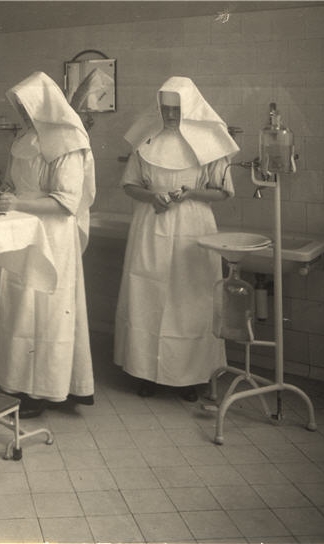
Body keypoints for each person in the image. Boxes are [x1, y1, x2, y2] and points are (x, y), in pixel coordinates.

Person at [114, 76, 239, 402]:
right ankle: (147, 373)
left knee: (190, 301)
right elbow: (129, 184)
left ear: (190, 108)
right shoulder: (146, 141)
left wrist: (190, 194)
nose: (170, 114)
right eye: (165, 108)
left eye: (176, 108)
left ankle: (191, 377)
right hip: (150, 224)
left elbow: (223, 192)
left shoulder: (210, 144)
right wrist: (151, 197)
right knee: (148, 296)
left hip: (193, 230)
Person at [0, 71, 96, 419]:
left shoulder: (68, 141)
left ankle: (45, 389)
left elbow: (66, 201)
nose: (21, 113)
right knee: (18, 308)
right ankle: (15, 381)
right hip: (23, 231)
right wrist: (8, 194)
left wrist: (16, 203)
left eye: (25, 106)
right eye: (18, 107)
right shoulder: (27, 137)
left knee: (45, 313)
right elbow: (18, 183)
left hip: (51, 236)